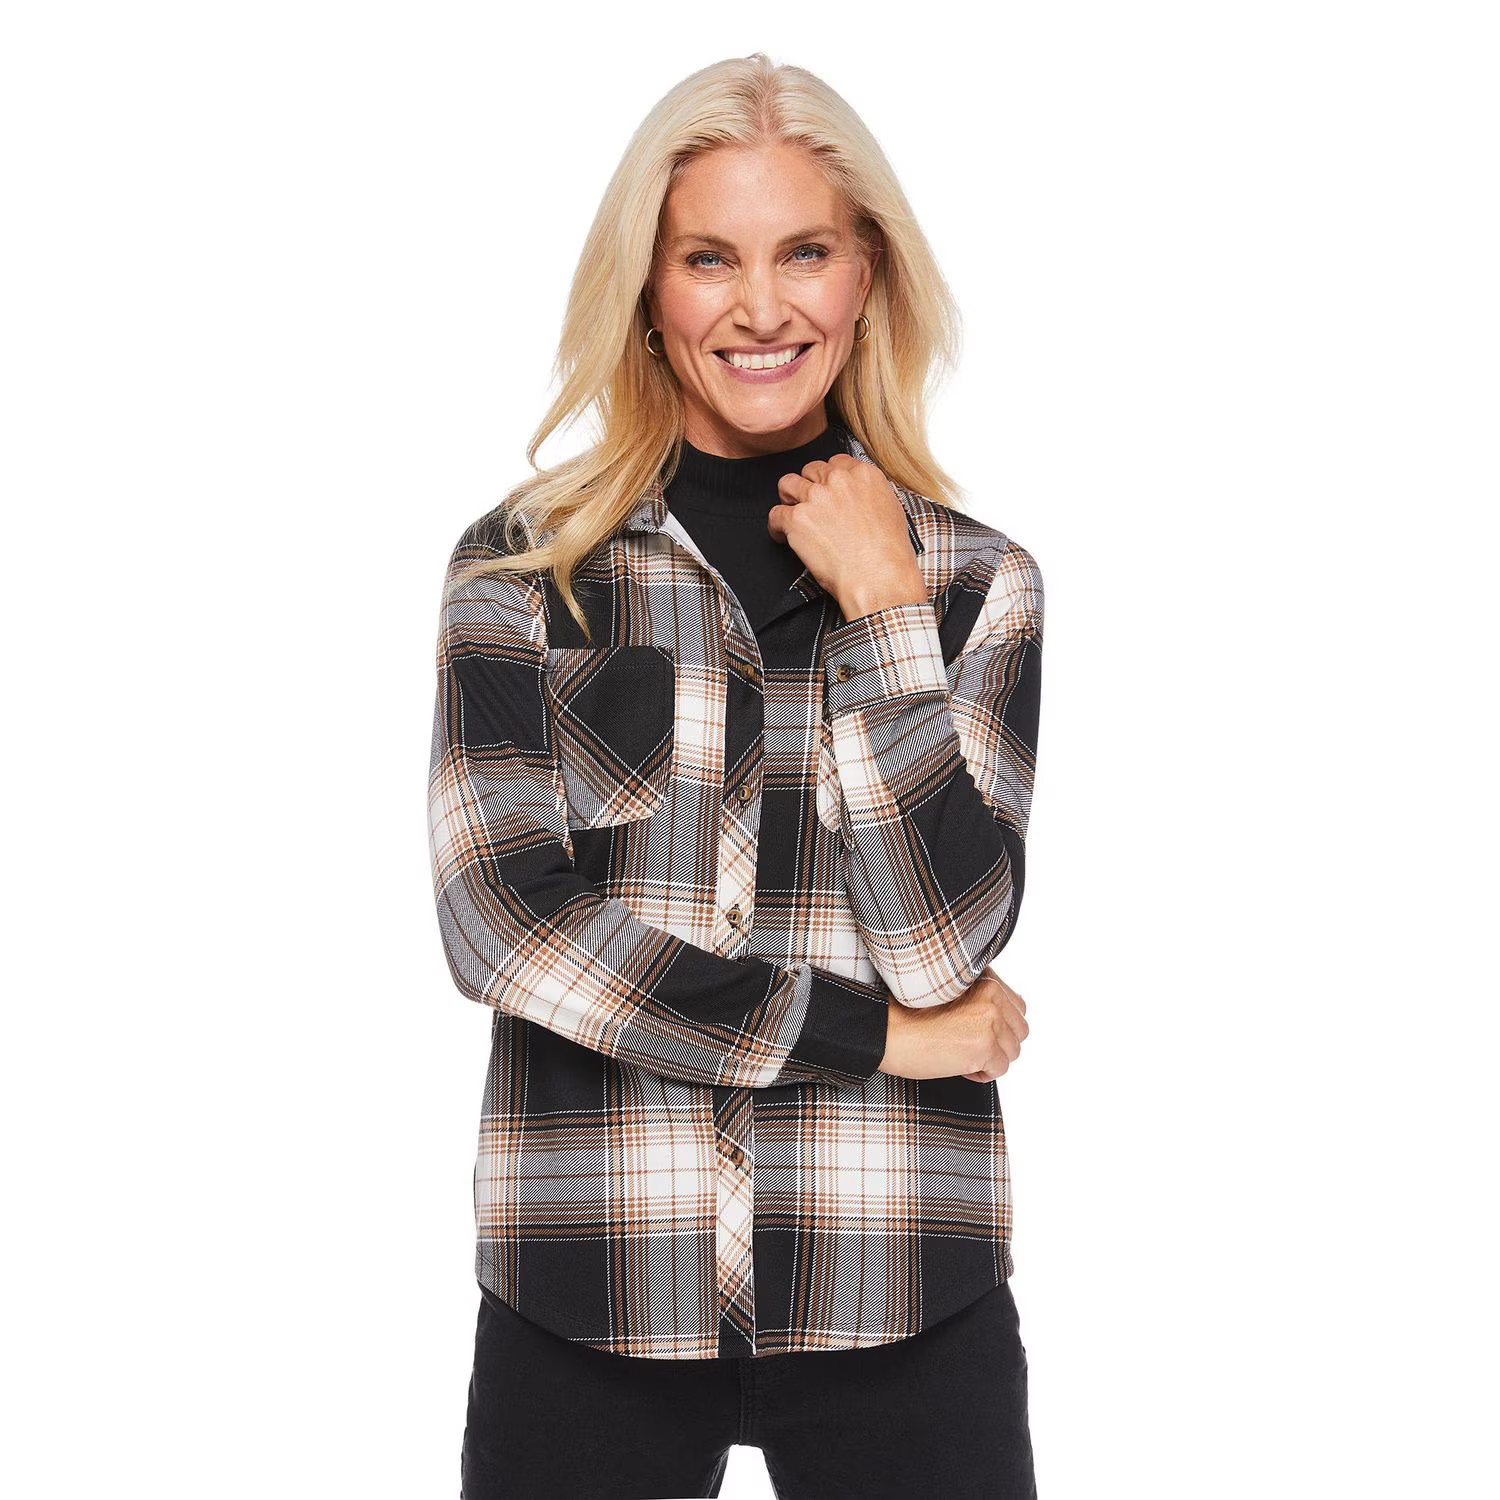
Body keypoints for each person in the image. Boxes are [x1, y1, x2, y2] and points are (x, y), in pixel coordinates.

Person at [428, 51, 1043, 1500]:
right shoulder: (522, 573)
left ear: (868, 274)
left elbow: (945, 946)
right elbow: (503, 932)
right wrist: (873, 1040)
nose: (762, 309)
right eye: (710, 258)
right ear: (649, 289)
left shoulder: (977, 587)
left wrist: (884, 612)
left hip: (903, 1278)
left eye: (804, 252)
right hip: (590, 1285)